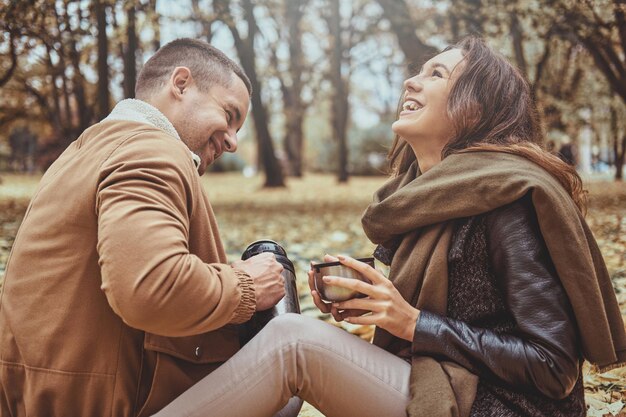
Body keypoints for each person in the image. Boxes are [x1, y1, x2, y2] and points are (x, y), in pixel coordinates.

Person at [152, 36, 626, 417]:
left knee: (292, 341)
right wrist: (378, 306)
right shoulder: (422, 197)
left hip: (502, 406)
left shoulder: (508, 198)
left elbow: (554, 366)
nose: (410, 82)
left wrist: (415, 323)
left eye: (435, 74)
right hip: (440, 383)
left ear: (475, 107)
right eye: (418, 71)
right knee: (283, 334)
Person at [0, 38, 288, 416]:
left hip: (42, 397)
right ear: (180, 84)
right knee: (295, 349)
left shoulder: (83, 152)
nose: (233, 142)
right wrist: (247, 285)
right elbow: (151, 288)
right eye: (229, 114)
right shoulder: (151, 150)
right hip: (111, 405)